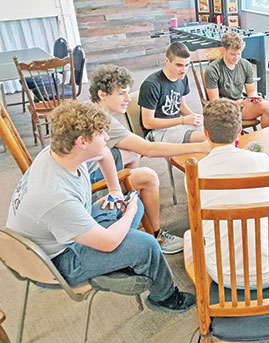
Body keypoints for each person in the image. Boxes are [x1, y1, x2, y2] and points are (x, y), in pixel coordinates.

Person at [6, 101, 196, 313]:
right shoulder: (55, 197)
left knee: (126, 205)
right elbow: (108, 241)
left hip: (59, 233)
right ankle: (166, 298)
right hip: (55, 262)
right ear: (82, 142)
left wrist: (115, 190)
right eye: (101, 134)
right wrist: (130, 209)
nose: (107, 138)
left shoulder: (60, 153)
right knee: (147, 243)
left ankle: (117, 262)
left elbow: (104, 153)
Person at [89, 64, 211, 254]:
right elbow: (149, 148)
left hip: (85, 169)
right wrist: (200, 147)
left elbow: (138, 149)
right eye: (121, 93)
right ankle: (157, 234)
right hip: (86, 186)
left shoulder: (90, 110)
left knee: (132, 152)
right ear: (102, 94)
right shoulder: (104, 121)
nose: (128, 99)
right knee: (149, 176)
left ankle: (129, 197)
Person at [194, 98, 269, 287]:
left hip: (222, 276)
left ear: (206, 133)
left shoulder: (197, 170)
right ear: (239, 131)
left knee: (194, 234)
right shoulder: (262, 160)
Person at [139, 42, 206, 143]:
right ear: (167, 60)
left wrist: (197, 118)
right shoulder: (151, 85)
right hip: (157, 131)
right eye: (179, 65)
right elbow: (148, 123)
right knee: (204, 138)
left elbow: (182, 106)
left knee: (211, 131)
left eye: (187, 65)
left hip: (177, 125)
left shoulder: (182, 78)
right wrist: (182, 121)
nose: (184, 70)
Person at [204, 32, 269, 128]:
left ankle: (267, 140)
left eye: (239, 53)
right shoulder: (212, 70)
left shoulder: (245, 65)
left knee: (268, 107)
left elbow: (251, 90)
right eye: (233, 54)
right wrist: (236, 103)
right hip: (222, 110)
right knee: (265, 107)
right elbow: (215, 102)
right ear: (223, 51)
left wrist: (254, 98)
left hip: (240, 105)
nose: (236, 58)